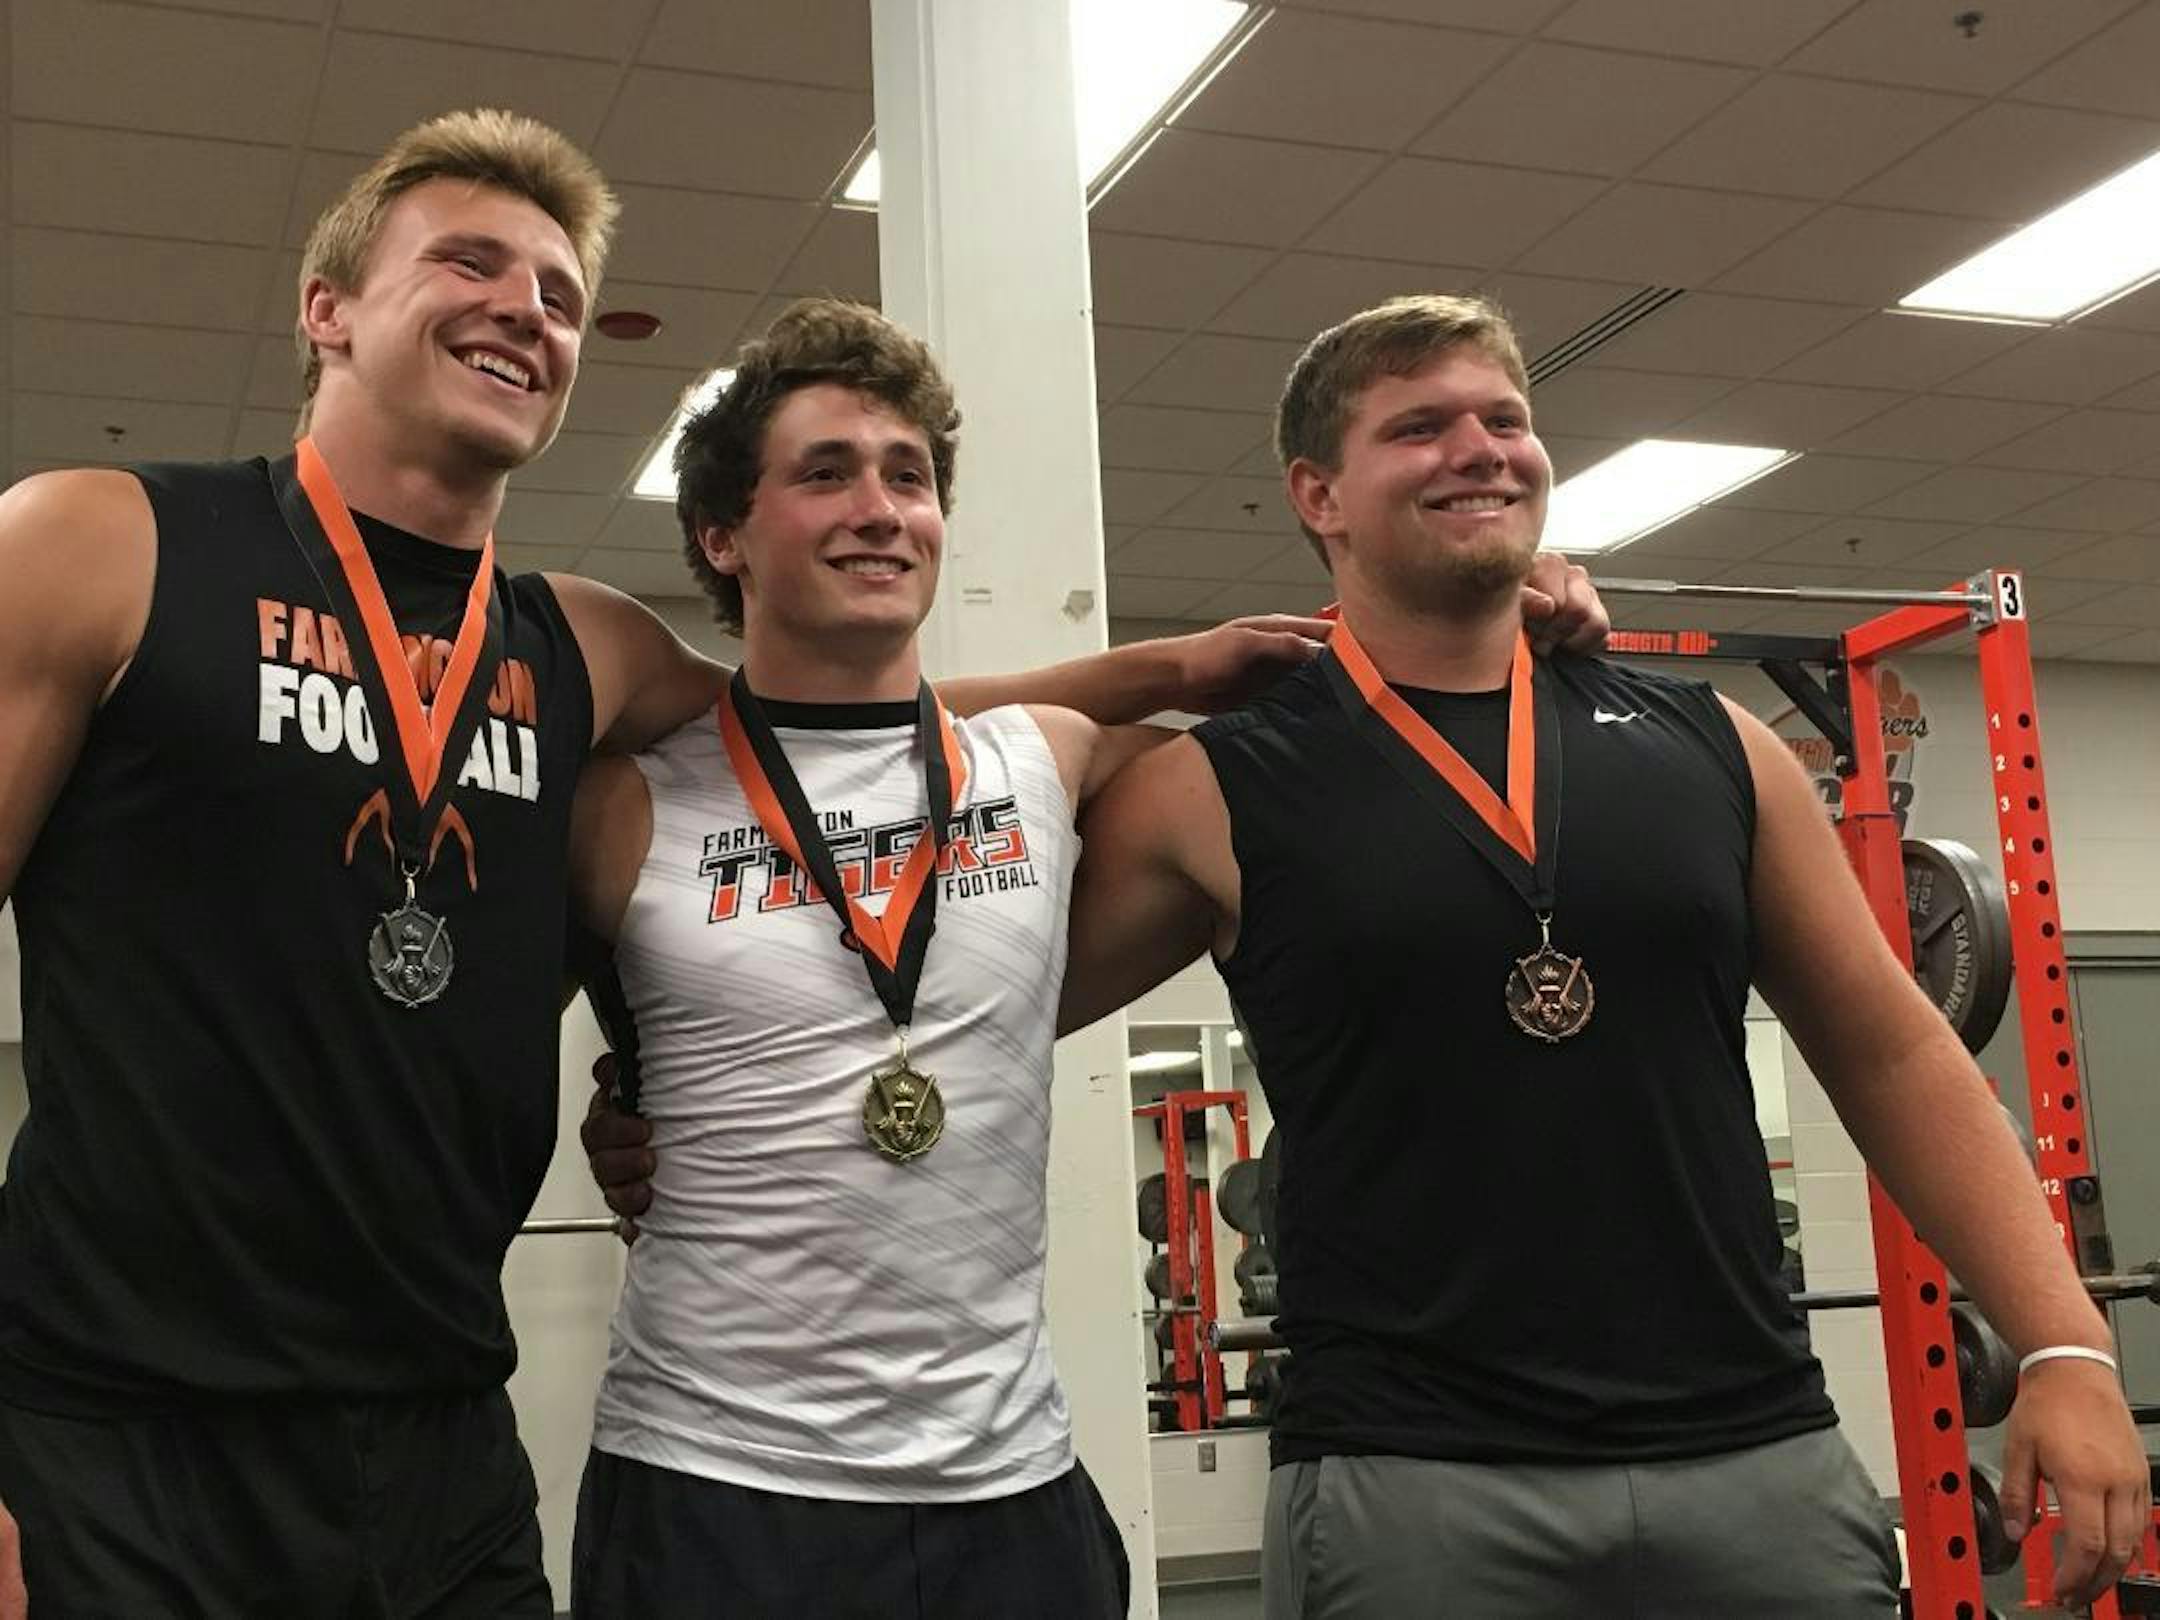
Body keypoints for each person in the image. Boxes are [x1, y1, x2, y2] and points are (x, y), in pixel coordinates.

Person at [0, 107, 1378, 1618]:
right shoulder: (102, 544)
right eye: (469, 262)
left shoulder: (577, 646)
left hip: (441, 1432)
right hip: (119, 1430)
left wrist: (1157, 670)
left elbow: (832, 732)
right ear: (326, 306)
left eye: (558, 293)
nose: (524, 309)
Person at [1051, 294, 2151, 1616]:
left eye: (1504, 420)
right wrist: (1139, 680)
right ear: (1318, 495)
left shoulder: (1718, 746)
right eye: (1419, 427)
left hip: (1756, 1460)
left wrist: (2063, 1345)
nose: (1479, 449)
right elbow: (961, 997)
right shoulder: (1217, 785)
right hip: (1412, 1483)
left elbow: (1895, 1053)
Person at [563, 296, 1607, 1619]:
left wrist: (1521, 605)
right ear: (723, 535)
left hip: (1014, 1494)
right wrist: (623, 1100)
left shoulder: (1046, 762)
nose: (880, 510)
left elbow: (1368, 757)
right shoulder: (624, 805)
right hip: (712, 1488)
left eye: (908, 477)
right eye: (825, 474)